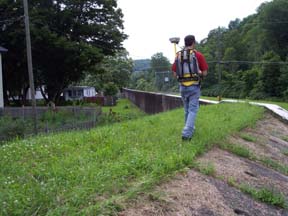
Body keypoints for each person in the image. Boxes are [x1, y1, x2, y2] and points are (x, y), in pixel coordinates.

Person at [171, 35, 208, 141]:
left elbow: (174, 73)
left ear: (185, 43)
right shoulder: (198, 55)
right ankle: (186, 134)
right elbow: (205, 73)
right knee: (193, 110)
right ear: (193, 43)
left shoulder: (178, 55)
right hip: (194, 86)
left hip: (182, 86)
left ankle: (189, 129)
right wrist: (199, 73)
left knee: (187, 110)